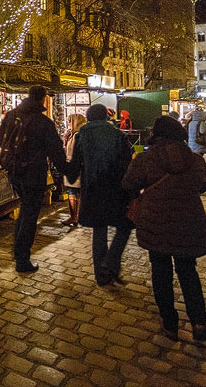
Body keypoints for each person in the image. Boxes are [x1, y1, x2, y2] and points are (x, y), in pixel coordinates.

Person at [123, 115, 206, 343]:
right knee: (188, 271)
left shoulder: (146, 159)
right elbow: (204, 185)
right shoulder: (195, 160)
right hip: (189, 221)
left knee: (161, 272)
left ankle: (170, 324)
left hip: (156, 222)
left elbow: (128, 184)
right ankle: (199, 322)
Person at [0, 85, 68, 273]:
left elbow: (1, 142)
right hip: (33, 174)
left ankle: (17, 251)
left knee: (24, 210)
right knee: (29, 215)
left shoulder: (11, 116)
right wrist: (68, 171)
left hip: (14, 172)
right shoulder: (43, 122)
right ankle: (22, 259)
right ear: (43, 99)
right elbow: (56, 152)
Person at [65, 104, 133, 287]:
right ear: (106, 117)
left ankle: (101, 275)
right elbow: (127, 163)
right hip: (116, 188)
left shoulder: (82, 136)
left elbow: (75, 165)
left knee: (99, 230)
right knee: (125, 225)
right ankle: (112, 260)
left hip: (93, 188)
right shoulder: (119, 136)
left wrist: (70, 176)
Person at [61, 113, 86, 227]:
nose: (69, 124)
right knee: (73, 192)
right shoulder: (72, 135)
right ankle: (74, 216)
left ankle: (75, 216)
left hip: (75, 166)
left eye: (70, 121)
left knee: (75, 191)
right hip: (70, 165)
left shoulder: (78, 136)